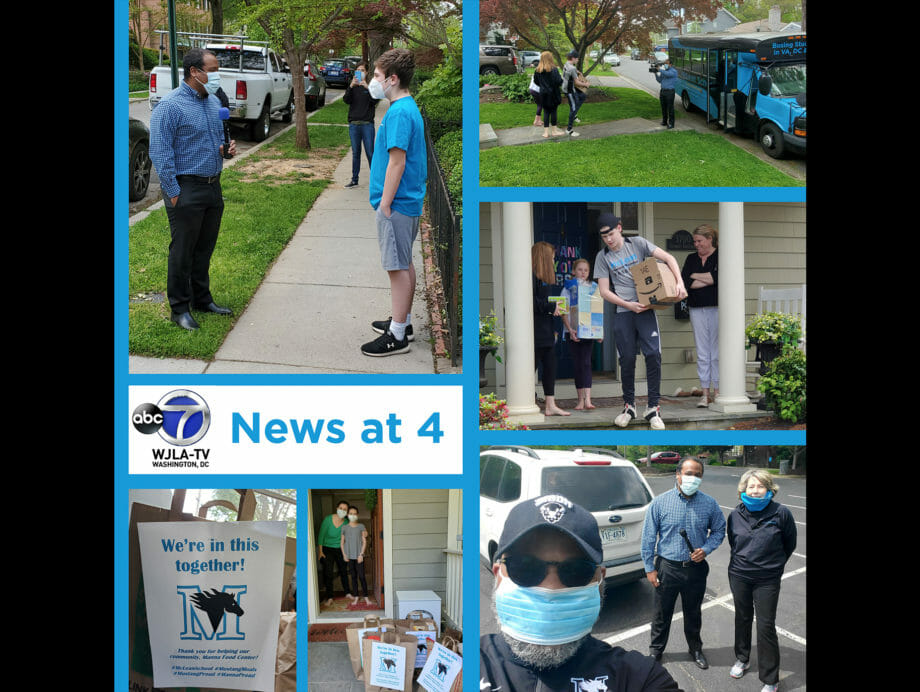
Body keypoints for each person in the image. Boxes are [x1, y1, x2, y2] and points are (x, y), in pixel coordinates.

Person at [481, 494, 680, 691]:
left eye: (576, 570)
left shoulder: (637, 677)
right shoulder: (461, 664)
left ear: (600, 580)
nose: (551, 589)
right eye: (525, 567)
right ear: (498, 575)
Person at [149, 47, 237, 331]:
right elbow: (160, 153)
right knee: (183, 251)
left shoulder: (212, 102)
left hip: (213, 185)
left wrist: (227, 152)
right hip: (185, 188)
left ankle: (202, 299)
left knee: (204, 248)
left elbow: (214, 143)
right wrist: (174, 193)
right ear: (194, 72)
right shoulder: (170, 106)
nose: (216, 74)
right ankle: (179, 309)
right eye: (212, 70)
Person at [592, 213, 687, 430]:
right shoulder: (602, 256)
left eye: (611, 233)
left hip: (645, 310)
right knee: (626, 359)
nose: (608, 239)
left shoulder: (638, 243)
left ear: (619, 228)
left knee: (653, 355)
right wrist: (628, 305)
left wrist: (679, 283)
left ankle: (653, 408)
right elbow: (604, 291)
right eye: (604, 236)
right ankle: (629, 406)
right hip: (624, 312)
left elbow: (669, 258)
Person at [362, 48, 427, 357]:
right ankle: (404, 322)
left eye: (376, 76)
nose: (372, 81)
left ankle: (397, 334)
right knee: (404, 263)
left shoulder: (400, 112)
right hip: (405, 201)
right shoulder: (404, 107)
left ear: (392, 79)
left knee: (397, 267)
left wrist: (385, 204)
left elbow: (397, 162)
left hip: (397, 203)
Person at [641, 456, 726, 669]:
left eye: (698, 475)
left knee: (693, 612)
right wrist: (649, 567)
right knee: (662, 613)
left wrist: (705, 549)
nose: (693, 478)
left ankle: (695, 648)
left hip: (696, 569)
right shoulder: (660, 503)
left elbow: (719, 530)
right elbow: (649, 537)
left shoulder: (709, 504)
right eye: (689, 474)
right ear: (678, 474)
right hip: (667, 568)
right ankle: (656, 651)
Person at [726, 470, 797, 692]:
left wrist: (773, 566)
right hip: (739, 575)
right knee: (742, 618)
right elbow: (734, 542)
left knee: (766, 625)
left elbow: (789, 544)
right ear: (743, 490)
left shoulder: (781, 513)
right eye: (751, 486)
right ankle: (743, 658)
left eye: (760, 486)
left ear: (769, 488)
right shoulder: (735, 515)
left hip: (767, 579)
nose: (755, 490)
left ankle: (770, 679)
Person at [681, 224, 719, 407]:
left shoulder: (720, 255)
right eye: (694, 241)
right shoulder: (690, 258)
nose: (696, 244)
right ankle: (705, 393)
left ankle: (717, 392)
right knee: (702, 351)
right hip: (696, 308)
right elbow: (686, 282)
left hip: (717, 307)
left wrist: (697, 276)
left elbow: (718, 279)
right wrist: (708, 278)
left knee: (716, 351)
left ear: (710, 239)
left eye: (699, 241)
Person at [532, 242, 570, 417]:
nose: (553, 260)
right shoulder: (531, 277)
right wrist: (551, 306)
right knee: (529, 367)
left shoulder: (543, 278)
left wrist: (553, 307)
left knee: (550, 367)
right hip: (535, 331)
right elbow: (532, 303)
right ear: (544, 257)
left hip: (546, 329)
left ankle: (550, 405)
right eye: (552, 257)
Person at [561, 258, 602, 410]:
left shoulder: (593, 288)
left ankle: (588, 400)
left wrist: (599, 332)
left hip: (588, 332)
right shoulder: (567, 287)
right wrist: (569, 329)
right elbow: (563, 309)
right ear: (573, 271)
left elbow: (597, 311)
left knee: (586, 363)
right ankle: (580, 400)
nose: (583, 272)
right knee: (578, 365)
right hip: (572, 332)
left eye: (586, 270)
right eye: (580, 269)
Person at [343, 61, 379, 189]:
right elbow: (346, 100)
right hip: (354, 125)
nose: (360, 72)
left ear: (367, 72)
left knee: (370, 152)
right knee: (355, 153)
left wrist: (367, 87)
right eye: (358, 70)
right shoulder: (353, 87)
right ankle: (354, 179)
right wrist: (351, 86)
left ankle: (375, 180)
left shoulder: (370, 87)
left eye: (363, 70)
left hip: (367, 125)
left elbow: (375, 100)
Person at [317, 500, 352, 607]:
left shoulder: (346, 522)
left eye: (345, 509)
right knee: (328, 573)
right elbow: (321, 535)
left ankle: (347, 593)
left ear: (347, 512)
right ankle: (330, 597)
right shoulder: (328, 519)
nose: (342, 510)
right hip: (327, 549)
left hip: (340, 549)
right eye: (340, 508)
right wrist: (320, 551)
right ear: (337, 508)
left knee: (343, 571)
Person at [341, 505, 373, 606]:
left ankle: (366, 597)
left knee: (362, 577)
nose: (353, 515)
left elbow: (364, 541)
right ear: (347, 515)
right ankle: (356, 597)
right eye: (351, 514)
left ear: (357, 515)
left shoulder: (361, 526)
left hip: (359, 556)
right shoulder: (344, 527)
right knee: (353, 577)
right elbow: (342, 542)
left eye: (355, 514)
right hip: (349, 556)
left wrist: (361, 554)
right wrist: (344, 554)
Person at [533, 51, 564, 138]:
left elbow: (536, 81)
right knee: (553, 111)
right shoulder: (554, 70)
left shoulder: (538, 70)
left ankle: (546, 132)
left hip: (543, 93)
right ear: (550, 58)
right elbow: (559, 81)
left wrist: (543, 86)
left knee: (546, 111)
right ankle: (554, 131)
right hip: (554, 93)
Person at [561, 50, 588, 137]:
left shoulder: (567, 64)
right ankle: (569, 130)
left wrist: (578, 72)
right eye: (577, 58)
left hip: (567, 88)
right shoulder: (572, 68)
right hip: (569, 91)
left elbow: (572, 70)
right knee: (573, 108)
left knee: (583, 96)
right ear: (573, 58)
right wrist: (585, 84)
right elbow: (577, 83)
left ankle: (575, 114)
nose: (578, 60)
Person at [654, 57, 678, 129]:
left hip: (670, 92)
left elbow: (668, 74)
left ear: (670, 64)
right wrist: (655, 73)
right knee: (663, 107)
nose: (665, 65)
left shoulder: (673, 71)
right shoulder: (663, 71)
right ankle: (664, 121)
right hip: (663, 92)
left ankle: (671, 123)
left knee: (670, 108)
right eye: (664, 64)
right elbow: (659, 80)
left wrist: (660, 69)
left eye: (666, 64)